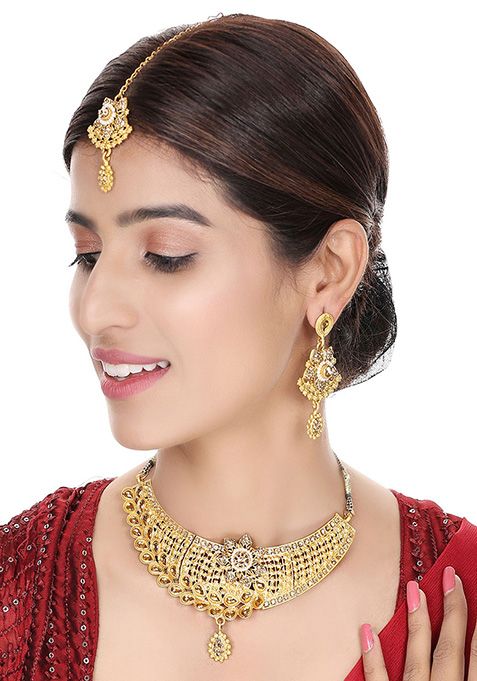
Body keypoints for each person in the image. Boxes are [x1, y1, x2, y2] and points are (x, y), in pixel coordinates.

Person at [1, 13, 476, 681]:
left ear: (329, 271)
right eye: (88, 254)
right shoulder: (21, 583)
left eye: (166, 255)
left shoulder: (457, 597)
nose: (94, 309)